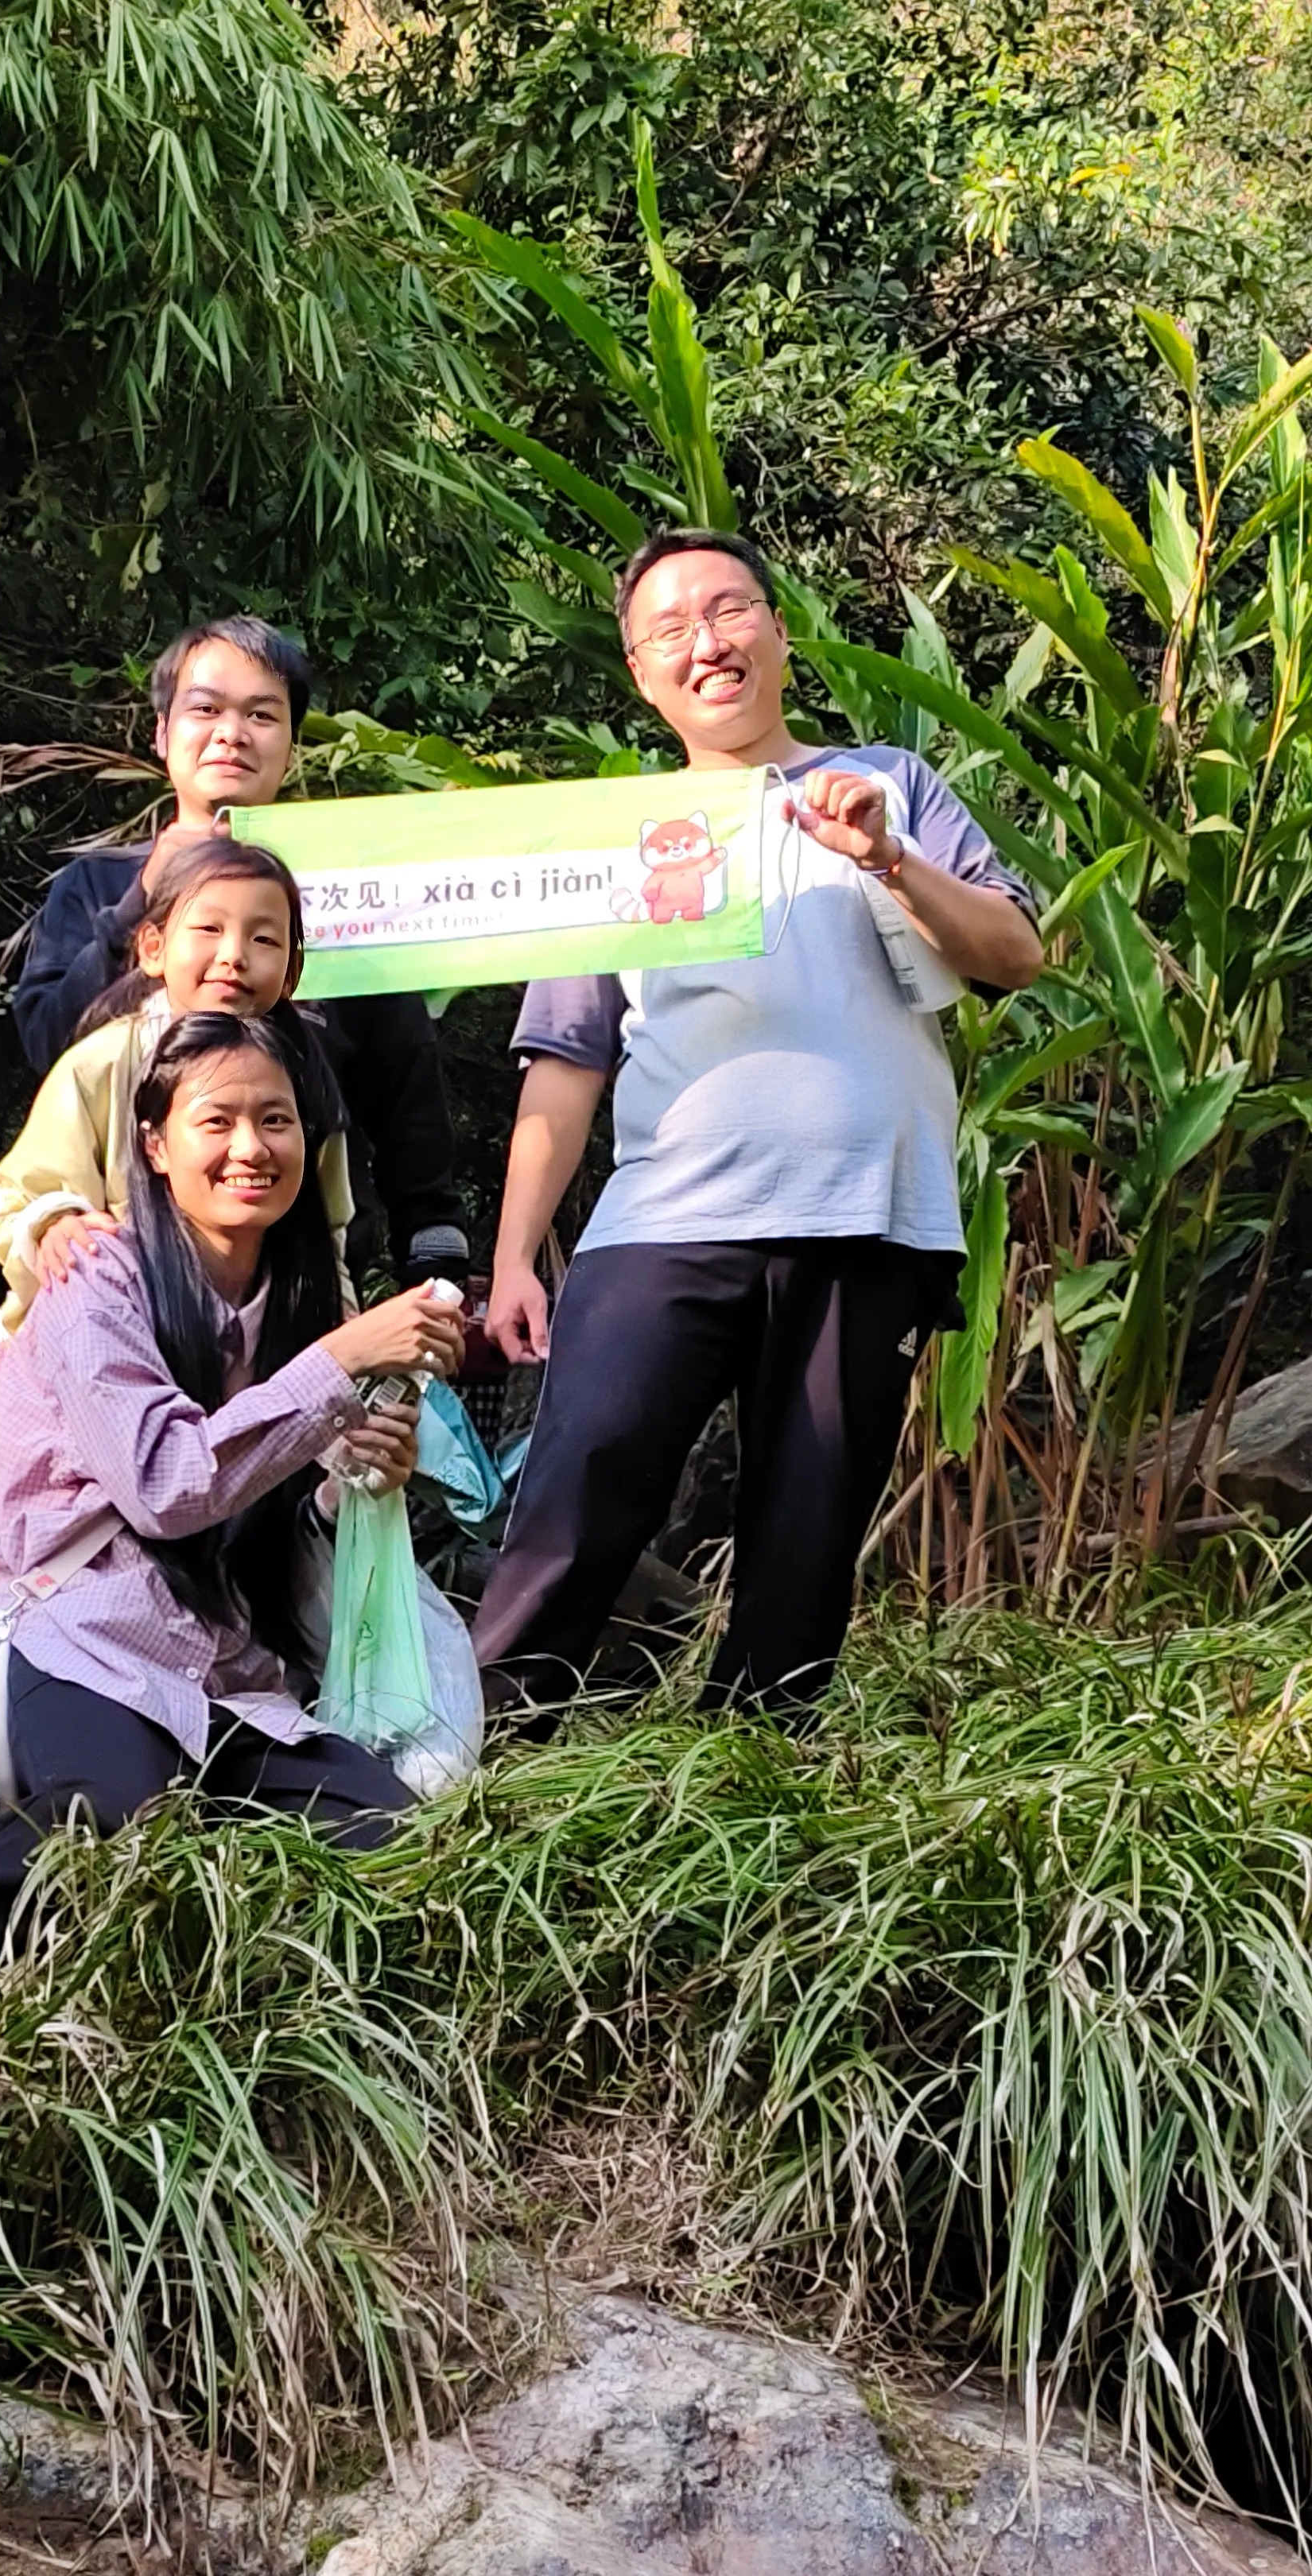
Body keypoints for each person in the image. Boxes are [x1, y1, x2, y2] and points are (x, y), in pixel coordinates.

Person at [0, 1014, 464, 2023]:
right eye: (217, 1120)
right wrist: (344, 1364)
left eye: (278, 1120)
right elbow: (167, 1482)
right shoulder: (98, 1280)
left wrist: (351, 1471)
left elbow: (259, 1490)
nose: (251, 1148)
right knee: (105, 1824)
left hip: (221, 1659)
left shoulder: (300, 1297)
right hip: (74, 1624)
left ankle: (239, 2003)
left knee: (395, 1829)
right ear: (154, 1144)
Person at [472, 525, 1044, 1718]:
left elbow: (1014, 952)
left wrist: (887, 860)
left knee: (808, 1525)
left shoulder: (888, 784)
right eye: (670, 628)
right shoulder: (615, 834)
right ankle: (485, 1752)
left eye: (730, 612)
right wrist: (517, 1255)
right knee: (583, 1481)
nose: (708, 644)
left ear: (780, 635)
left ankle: (760, 1775)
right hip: (669, 1215)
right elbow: (565, 1061)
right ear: (640, 672)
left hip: (870, 1213)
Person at [11, 615, 470, 1292]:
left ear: (291, 747)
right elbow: (47, 1042)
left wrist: (436, 1263)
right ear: (163, 731)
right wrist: (139, 901)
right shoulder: (99, 887)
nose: (232, 732)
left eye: (262, 714)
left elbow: (407, 1097)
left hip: (298, 1276)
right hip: (115, 1265)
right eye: (206, 708)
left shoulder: (344, 898)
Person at [0, 838, 352, 1357]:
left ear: (292, 971)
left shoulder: (305, 1078)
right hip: (108, 1342)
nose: (234, 956)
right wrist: (54, 1226)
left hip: (258, 1349)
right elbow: (22, 1193)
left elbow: (328, 1235)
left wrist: (348, 1363)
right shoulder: (102, 1064)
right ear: (152, 947)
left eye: (264, 939)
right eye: (209, 929)